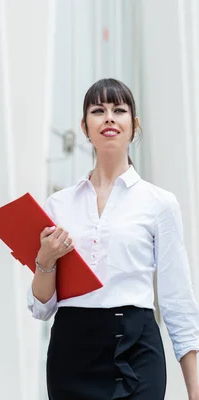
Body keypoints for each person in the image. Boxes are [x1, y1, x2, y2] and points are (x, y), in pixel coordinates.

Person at [28, 78, 199, 400]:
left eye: (118, 110)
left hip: (137, 345)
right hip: (72, 350)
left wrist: (195, 388)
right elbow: (41, 307)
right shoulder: (59, 204)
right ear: (84, 126)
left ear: (134, 125)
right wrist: (45, 260)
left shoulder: (159, 203)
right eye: (98, 110)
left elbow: (178, 298)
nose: (108, 117)